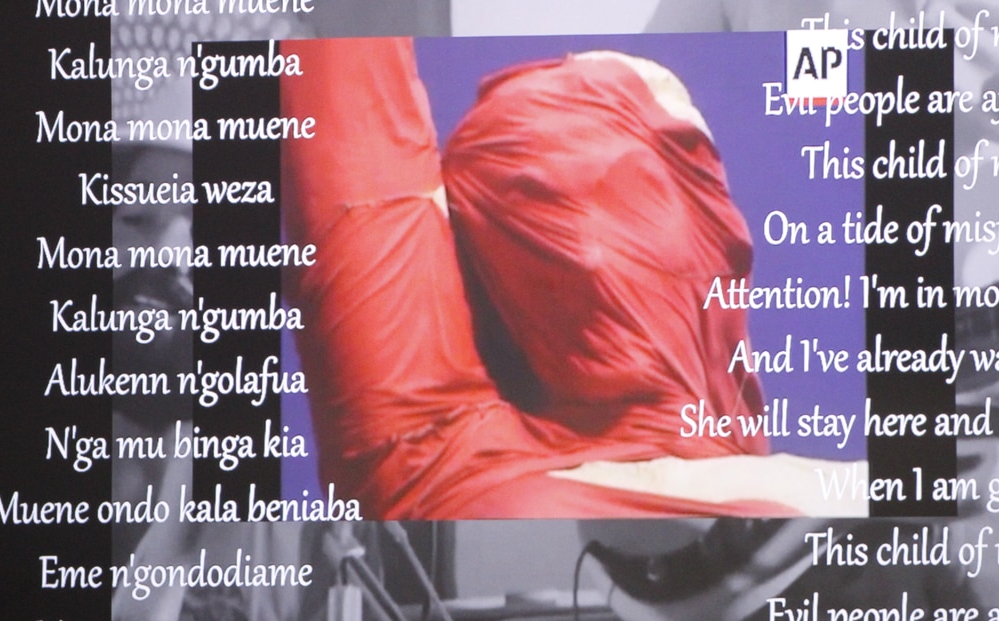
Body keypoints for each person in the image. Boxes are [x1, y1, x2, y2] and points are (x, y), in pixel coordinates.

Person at [279, 37, 806, 520]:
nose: (580, 240)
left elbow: (351, 112)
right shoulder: (430, 464)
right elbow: (347, 95)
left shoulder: (425, 469)